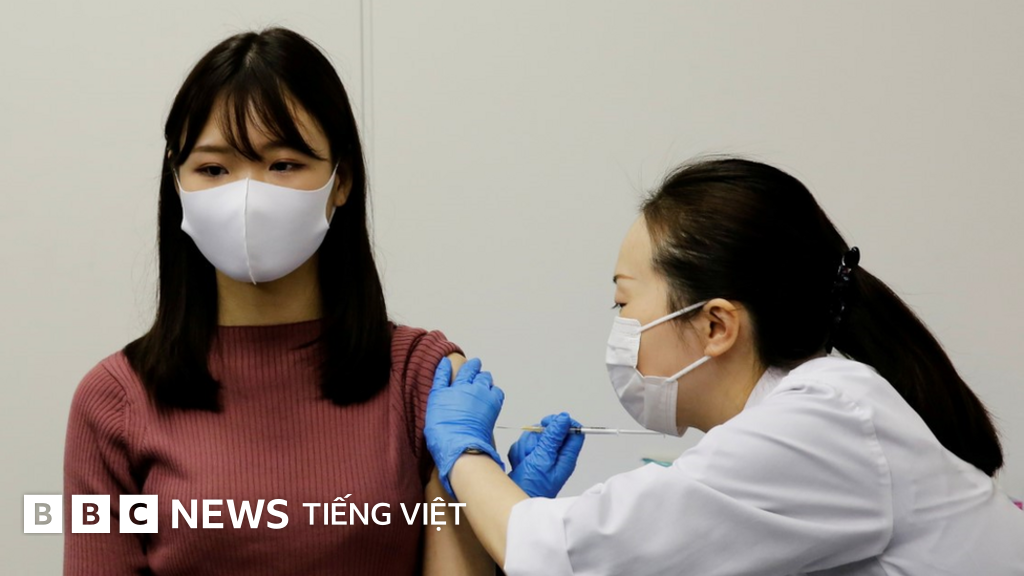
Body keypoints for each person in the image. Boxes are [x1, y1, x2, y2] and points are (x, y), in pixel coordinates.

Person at [425, 157, 1024, 575]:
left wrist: (466, 452)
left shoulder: (822, 420)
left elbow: (566, 555)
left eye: (623, 304)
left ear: (716, 326)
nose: (620, 328)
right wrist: (514, 503)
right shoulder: (809, 417)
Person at [63, 27, 493, 575]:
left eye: (283, 164)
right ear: (177, 183)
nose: (247, 196)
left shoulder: (425, 382)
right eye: (213, 169)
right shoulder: (114, 402)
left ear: (341, 179)